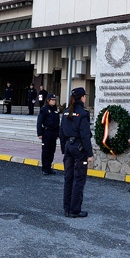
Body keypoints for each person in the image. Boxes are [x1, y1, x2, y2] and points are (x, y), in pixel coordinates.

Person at [60, 87, 93, 218]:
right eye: (85, 96)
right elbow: (85, 135)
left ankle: (67, 208)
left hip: (68, 146)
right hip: (79, 148)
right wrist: (89, 154)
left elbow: (61, 132)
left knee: (68, 178)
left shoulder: (66, 112)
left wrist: (64, 148)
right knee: (79, 179)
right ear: (82, 97)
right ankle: (75, 210)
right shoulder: (83, 113)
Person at [36, 94, 60, 175]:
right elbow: (39, 122)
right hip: (46, 132)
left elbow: (57, 122)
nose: (54, 101)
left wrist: (58, 133)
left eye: (54, 100)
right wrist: (40, 133)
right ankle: (45, 168)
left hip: (53, 133)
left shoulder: (55, 109)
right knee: (46, 151)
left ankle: (49, 167)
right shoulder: (44, 109)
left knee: (52, 151)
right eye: (52, 100)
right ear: (48, 100)